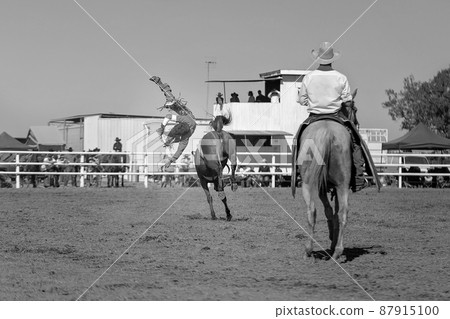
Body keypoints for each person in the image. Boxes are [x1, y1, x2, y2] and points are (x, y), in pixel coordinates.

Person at [298, 41, 368, 192]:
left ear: (317, 58)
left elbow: (301, 100)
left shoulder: (309, 77)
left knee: (299, 140)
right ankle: (358, 177)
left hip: (314, 116)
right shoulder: (341, 77)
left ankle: (299, 173)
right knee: (356, 142)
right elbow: (348, 100)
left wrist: (311, 100)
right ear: (332, 59)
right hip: (336, 116)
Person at [150, 76, 197, 169]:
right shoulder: (185, 121)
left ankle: (166, 91)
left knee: (172, 103)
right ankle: (160, 83)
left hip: (187, 124)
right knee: (173, 102)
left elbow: (179, 151)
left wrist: (170, 160)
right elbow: (168, 116)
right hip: (189, 115)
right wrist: (162, 128)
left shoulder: (184, 137)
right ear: (180, 123)